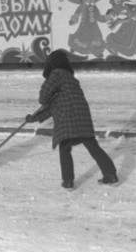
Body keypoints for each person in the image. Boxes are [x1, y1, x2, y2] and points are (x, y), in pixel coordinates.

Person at [25, 50, 118, 190]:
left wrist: (44, 98)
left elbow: (44, 98)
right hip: (82, 117)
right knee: (92, 146)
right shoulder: (70, 79)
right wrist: (34, 118)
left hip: (67, 118)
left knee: (65, 148)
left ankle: (68, 181)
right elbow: (52, 107)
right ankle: (111, 175)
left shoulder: (56, 74)